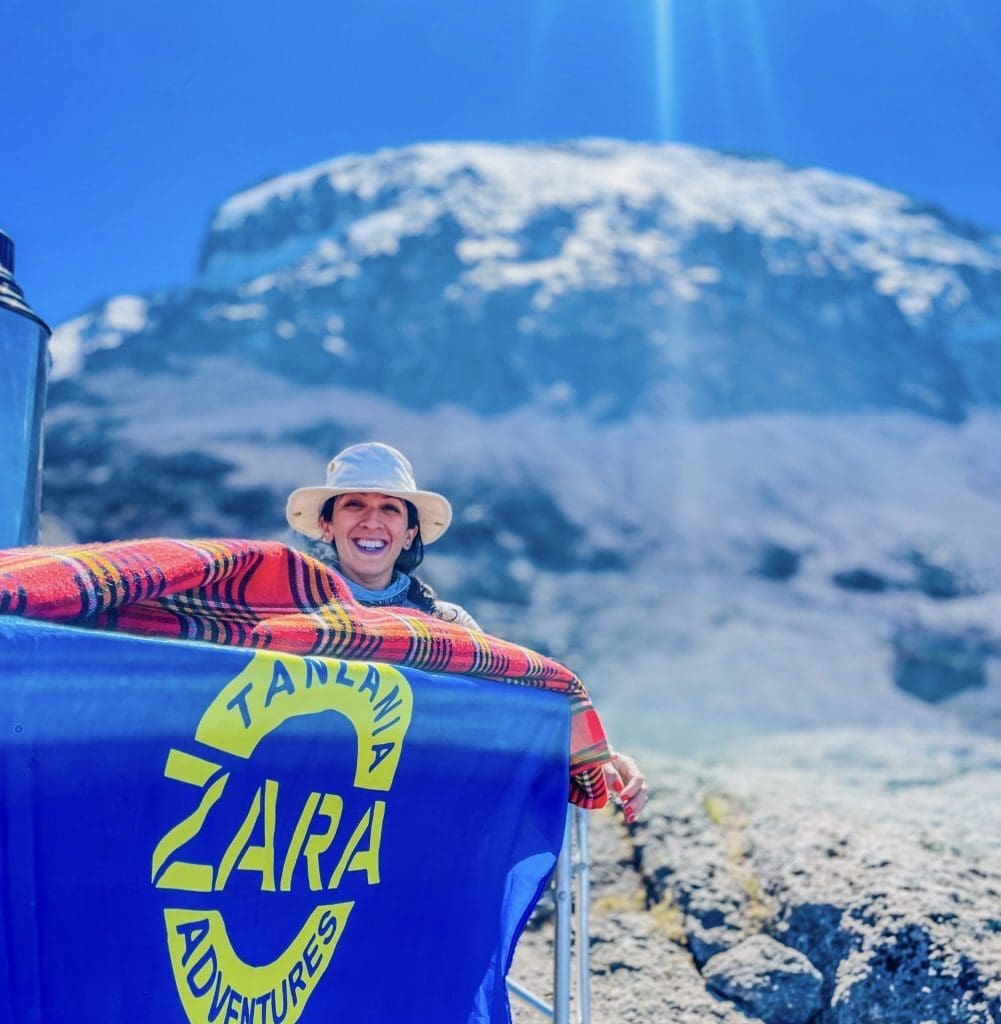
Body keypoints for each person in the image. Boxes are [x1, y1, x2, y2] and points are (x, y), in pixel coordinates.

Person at [286, 441, 648, 822]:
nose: (372, 520)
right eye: (354, 504)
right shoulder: (289, 618)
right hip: (305, 824)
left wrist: (596, 758)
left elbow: (515, 711)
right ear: (327, 525)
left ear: (410, 533)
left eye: (390, 508)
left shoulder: (450, 627)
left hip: (407, 830)